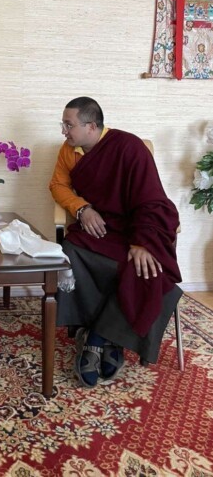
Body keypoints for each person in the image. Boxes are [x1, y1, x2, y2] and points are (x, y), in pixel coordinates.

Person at [49, 97, 182, 388]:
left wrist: (143, 241)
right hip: (100, 228)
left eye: (68, 125)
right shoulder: (69, 151)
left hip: (134, 228)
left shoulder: (129, 147)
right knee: (70, 250)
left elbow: (151, 200)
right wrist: (82, 208)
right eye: (64, 125)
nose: (64, 132)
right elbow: (58, 185)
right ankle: (101, 337)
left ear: (92, 126)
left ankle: (99, 338)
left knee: (145, 267)